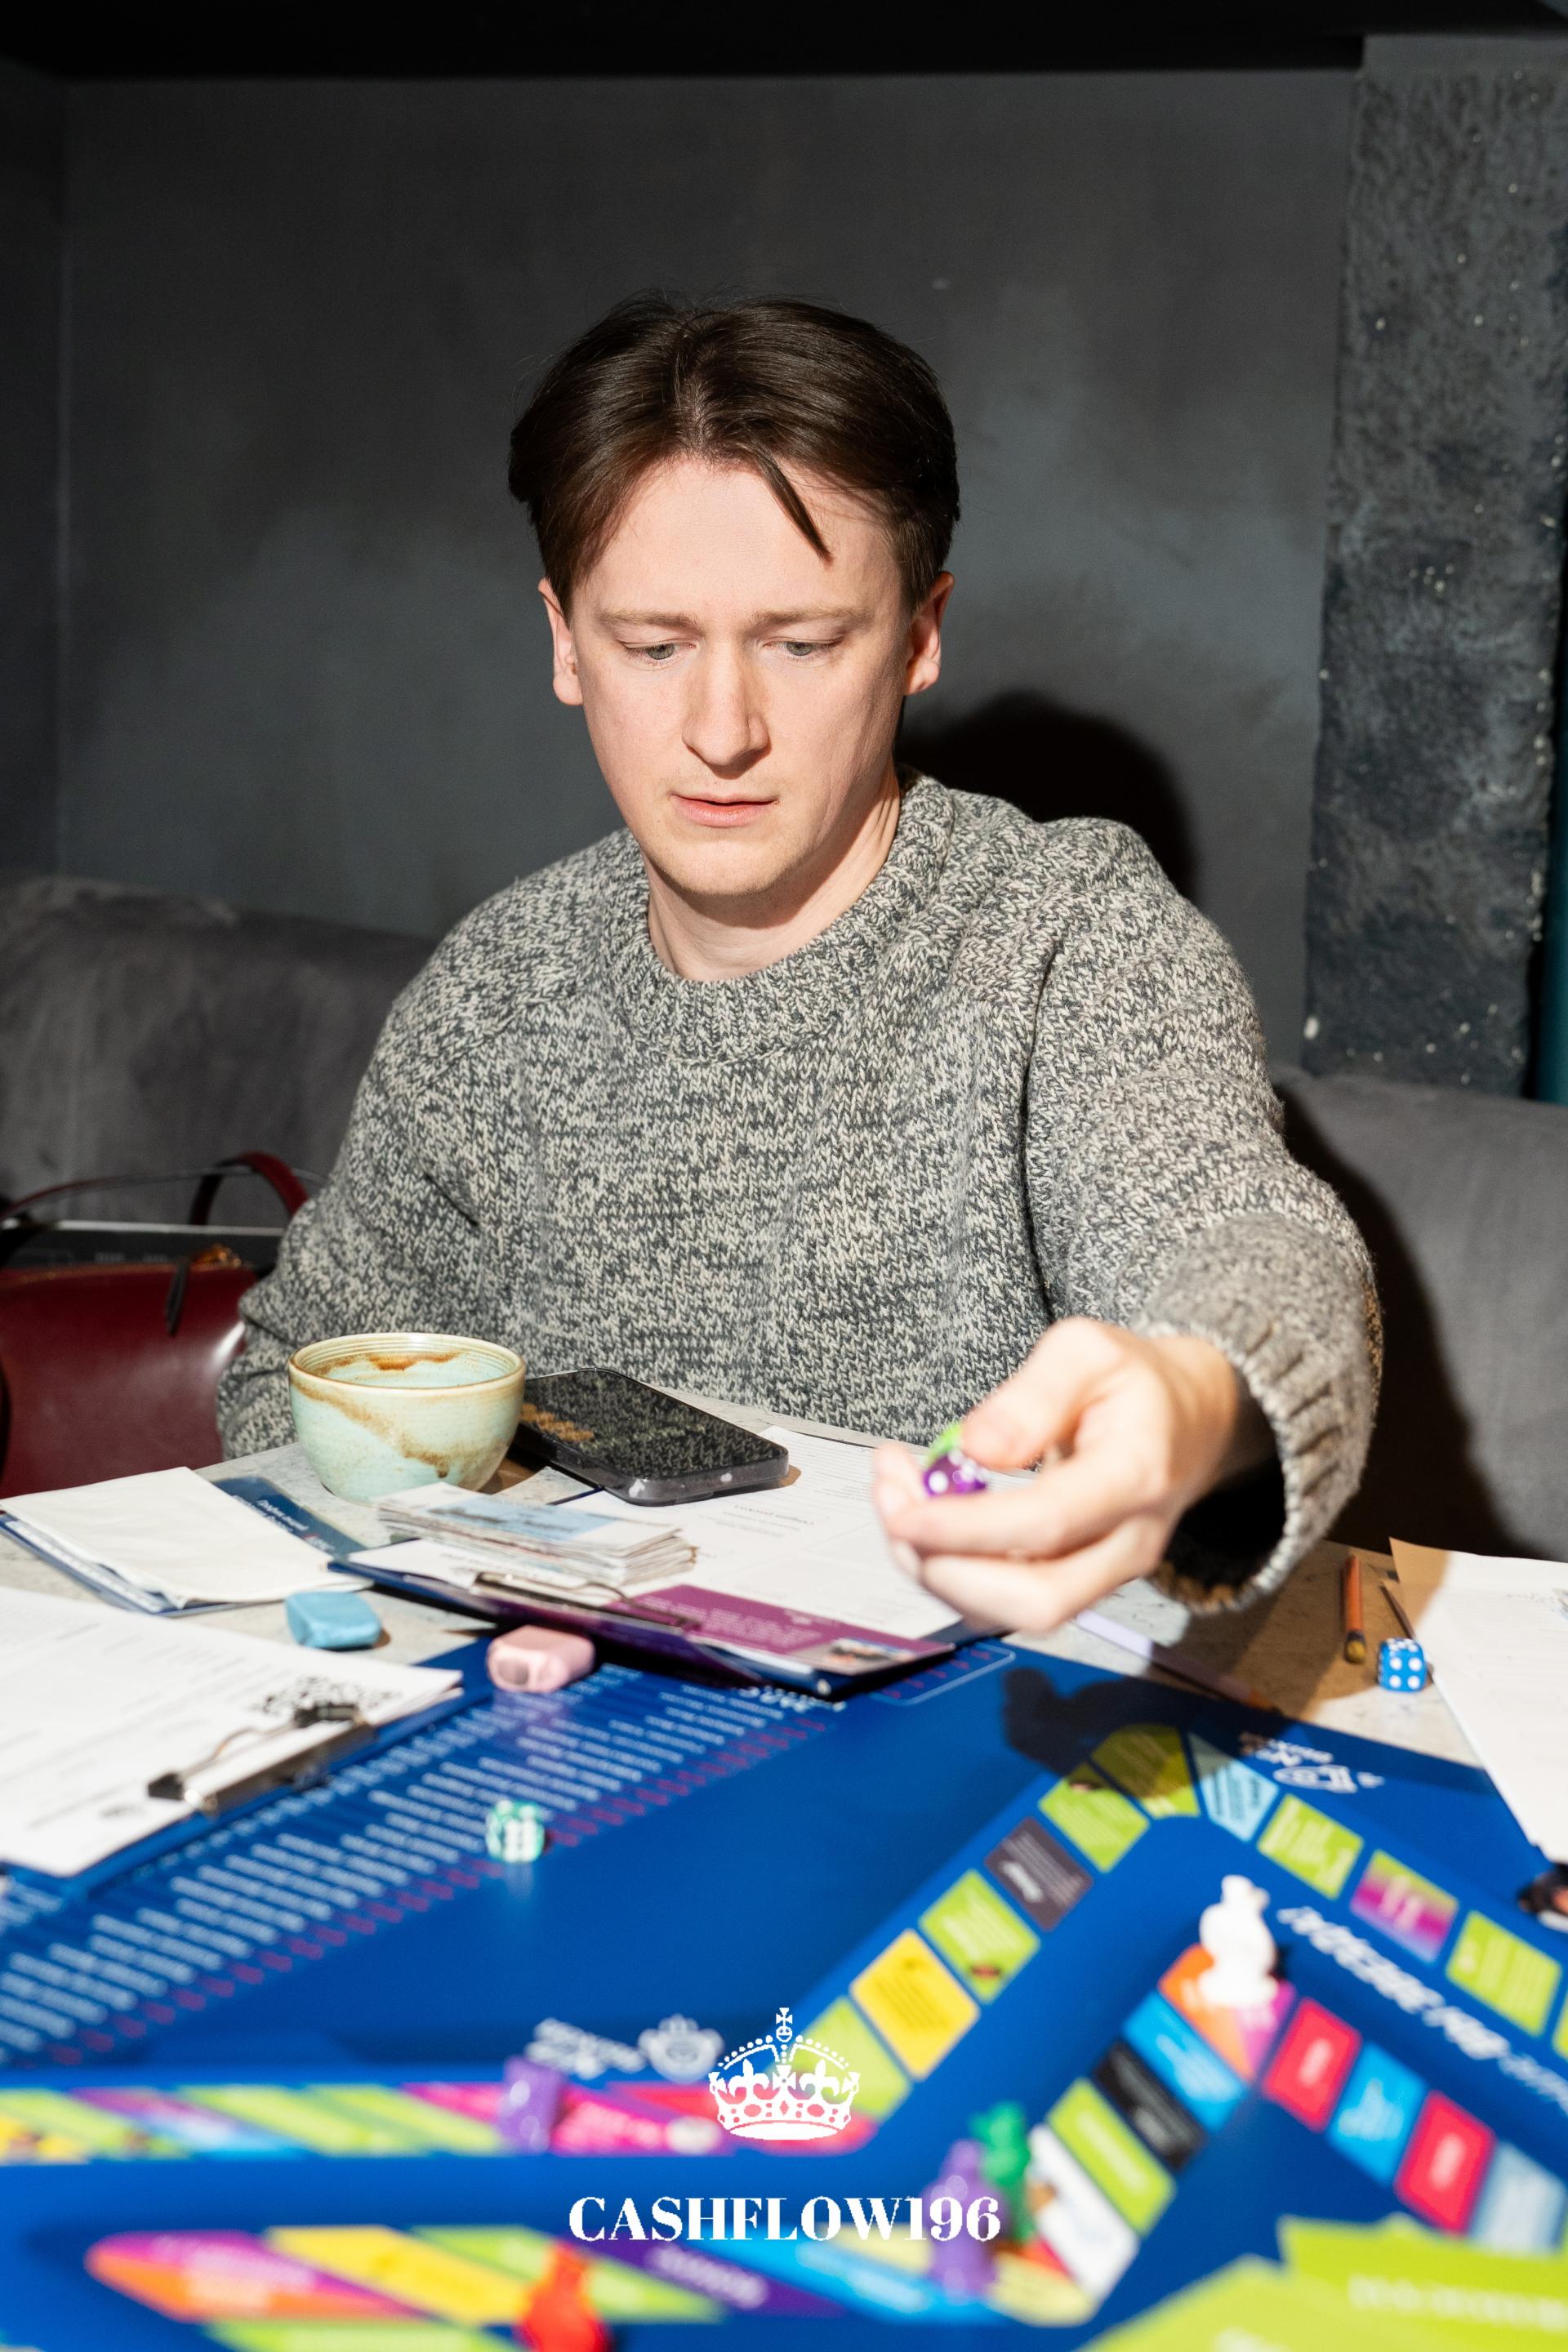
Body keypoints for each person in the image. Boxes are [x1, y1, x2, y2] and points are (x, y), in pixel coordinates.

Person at [217, 293, 1378, 1628]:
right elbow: (291, 1378)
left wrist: (1201, 1394)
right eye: (653, 646)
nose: (722, 731)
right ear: (565, 642)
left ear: (921, 635)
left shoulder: (1067, 940)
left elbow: (1249, 1243)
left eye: (804, 644)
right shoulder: (497, 990)